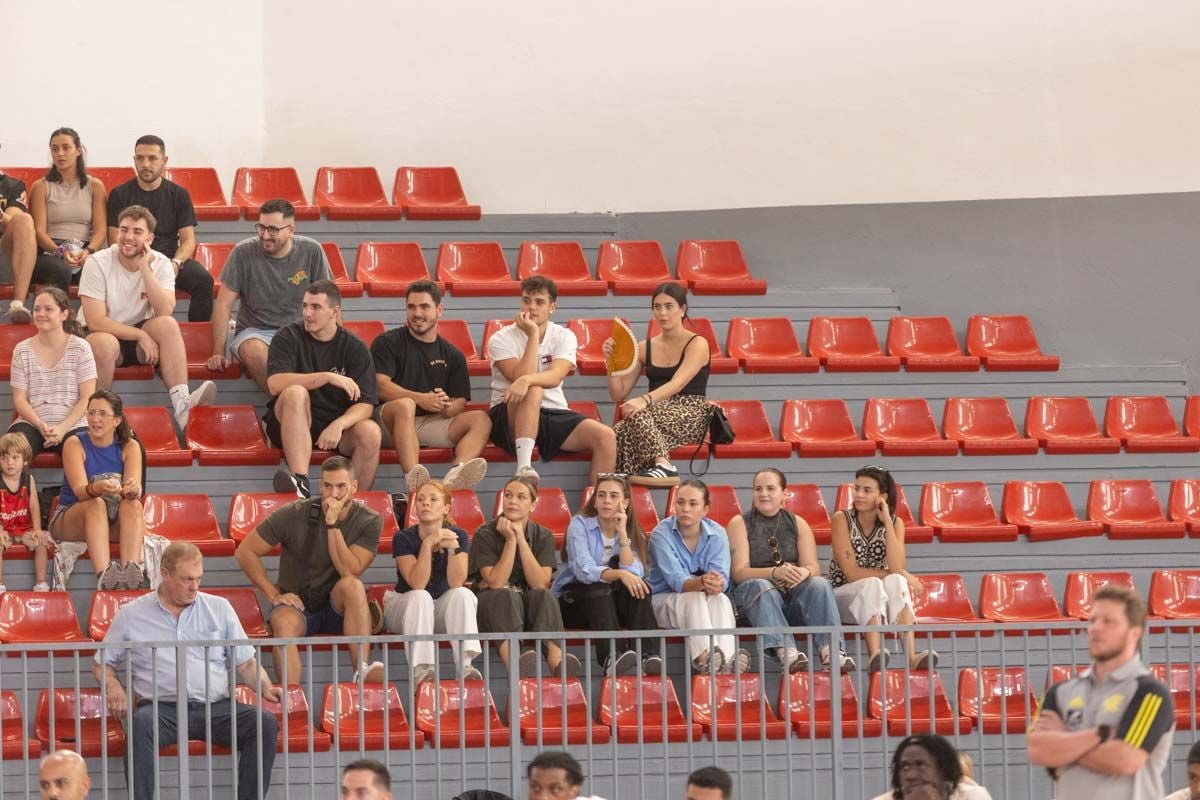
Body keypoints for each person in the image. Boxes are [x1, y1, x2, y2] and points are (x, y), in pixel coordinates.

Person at [94, 543, 279, 800]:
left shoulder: (220, 608)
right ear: (165, 574)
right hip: (161, 709)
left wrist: (267, 687)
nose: (195, 587)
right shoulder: (131, 614)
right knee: (140, 724)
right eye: (187, 580)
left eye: (198, 579)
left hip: (217, 708)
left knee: (264, 723)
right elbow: (102, 663)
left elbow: (246, 663)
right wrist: (114, 687)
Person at [235, 455, 385, 685]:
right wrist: (273, 595)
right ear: (320, 485)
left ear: (354, 487)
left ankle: (361, 671)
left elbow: (349, 570)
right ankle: (292, 700)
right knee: (283, 624)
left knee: (353, 586)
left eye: (341, 486)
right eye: (327, 486)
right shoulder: (295, 512)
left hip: (338, 607)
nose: (333, 494)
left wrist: (332, 524)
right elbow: (245, 551)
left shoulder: (370, 520)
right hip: (298, 604)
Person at [1028, 585, 1175, 800]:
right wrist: (1100, 736)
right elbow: (1038, 750)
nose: (1095, 628)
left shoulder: (1150, 693)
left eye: (1108, 621)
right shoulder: (1059, 692)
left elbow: (1125, 760)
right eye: (1092, 620)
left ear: (1135, 633)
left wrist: (1064, 739)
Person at [78, 204, 217, 426]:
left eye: (137, 232)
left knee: (168, 325)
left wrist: (145, 268)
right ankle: (97, 415)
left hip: (136, 338)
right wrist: (140, 335)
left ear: (149, 238)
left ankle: (182, 405)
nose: (128, 237)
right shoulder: (97, 262)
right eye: (124, 230)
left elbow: (164, 311)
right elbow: (95, 321)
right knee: (104, 343)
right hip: (101, 336)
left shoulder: (161, 262)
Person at [486, 275, 615, 485]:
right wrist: (533, 336)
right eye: (526, 300)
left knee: (606, 436)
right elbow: (519, 377)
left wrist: (527, 379)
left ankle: (593, 511)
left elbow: (555, 376)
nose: (532, 307)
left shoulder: (565, 336)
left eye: (539, 302)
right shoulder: (500, 338)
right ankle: (524, 468)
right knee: (534, 389)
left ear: (552, 307)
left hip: (552, 411)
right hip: (509, 413)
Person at [728, 467, 853, 672]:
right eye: (758, 489)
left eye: (770, 488)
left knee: (819, 584)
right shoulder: (739, 523)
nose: (763, 494)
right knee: (761, 584)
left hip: (790, 600)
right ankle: (787, 652)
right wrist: (773, 573)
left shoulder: (798, 523)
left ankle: (832, 651)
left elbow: (813, 566)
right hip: (753, 601)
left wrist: (804, 572)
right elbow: (739, 573)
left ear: (784, 493)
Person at [263, 280, 380, 496]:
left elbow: (366, 404)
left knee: (371, 432)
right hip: (289, 420)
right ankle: (300, 482)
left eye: (315, 307)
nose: (307, 313)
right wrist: (326, 377)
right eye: (305, 306)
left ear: (334, 312)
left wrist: (339, 424)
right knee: (296, 392)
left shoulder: (355, 348)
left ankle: (352, 505)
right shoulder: (287, 336)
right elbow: (274, 384)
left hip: (332, 428)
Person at [373, 279, 490, 492]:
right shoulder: (387, 342)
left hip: (429, 423)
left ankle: (456, 474)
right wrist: (420, 398)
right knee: (405, 405)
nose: (417, 313)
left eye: (424, 307)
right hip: (387, 423)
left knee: (481, 419)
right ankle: (414, 482)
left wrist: (446, 406)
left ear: (439, 310)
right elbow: (380, 385)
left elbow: (460, 401)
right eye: (411, 307)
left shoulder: (452, 354)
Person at [208, 198, 332, 392]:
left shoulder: (312, 250)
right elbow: (223, 305)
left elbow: (329, 301)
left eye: (273, 229)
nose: (265, 235)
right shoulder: (242, 252)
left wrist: (337, 345)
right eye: (261, 227)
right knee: (252, 350)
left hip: (302, 330)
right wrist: (218, 351)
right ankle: (290, 405)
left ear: (291, 230)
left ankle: (290, 411)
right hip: (255, 331)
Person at [468, 476, 579, 677]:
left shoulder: (543, 535)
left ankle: (558, 663)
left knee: (544, 595)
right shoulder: (484, 533)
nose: (512, 501)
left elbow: (539, 582)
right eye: (508, 495)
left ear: (533, 505)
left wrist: (521, 539)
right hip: (492, 605)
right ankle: (516, 667)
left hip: (527, 605)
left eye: (521, 497)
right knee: (505, 595)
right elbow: (495, 582)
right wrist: (510, 541)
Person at [552, 473, 662, 676]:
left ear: (625, 502)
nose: (606, 501)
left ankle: (648, 655)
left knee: (640, 589)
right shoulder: (580, 524)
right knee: (599, 588)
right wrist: (619, 574)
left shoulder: (631, 531)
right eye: (601, 495)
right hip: (575, 603)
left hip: (609, 606)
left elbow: (635, 572)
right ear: (594, 501)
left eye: (613, 496)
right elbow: (584, 570)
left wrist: (622, 533)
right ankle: (612, 657)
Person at [828, 465, 933, 673]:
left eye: (867, 490)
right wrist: (901, 572)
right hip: (841, 597)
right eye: (856, 488)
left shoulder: (895, 523)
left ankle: (911, 656)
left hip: (877, 600)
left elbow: (896, 568)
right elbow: (851, 573)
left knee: (897, 582)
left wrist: (886, 522)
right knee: (874, 583)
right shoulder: (842, 519)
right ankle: (875, 654)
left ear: (882, 497)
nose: (858, 494)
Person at [604, 282, 710, 486]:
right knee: (616, 433)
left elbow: (678, 384)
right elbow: (619, 393)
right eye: (657, 307)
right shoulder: (645, 347)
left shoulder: (698, 343)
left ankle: (664, 466)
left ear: (683, 309)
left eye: (669, 306)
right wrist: (611, 362)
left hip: (691, 410)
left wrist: (643, 401)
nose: (663, 313)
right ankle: (620, 489)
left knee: (635, 415)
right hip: (654, 414)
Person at [381, 479, 482, 685]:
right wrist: (427, 544)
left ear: (446, 508)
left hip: (439, 610)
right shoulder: (403, 537)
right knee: (421, 596)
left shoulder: (459, 535)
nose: (425, 503)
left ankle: (464, 665)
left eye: (433, 499)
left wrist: (453, 548)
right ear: (415, 507)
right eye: (420, 500)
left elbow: (456, 582)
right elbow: (417, 583)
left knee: (463, 594)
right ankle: (422, 669)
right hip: (404, 608)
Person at [106, 135, 214, 322]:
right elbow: (115, 239)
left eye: (152, 158)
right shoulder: (119, 194)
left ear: (164, 161)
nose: (145, 164)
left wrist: (176, 263)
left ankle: (199, 340)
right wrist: (137, 263)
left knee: (204, 281)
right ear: (134, 160)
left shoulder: (179, 194)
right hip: (132, 259)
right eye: (140, 158)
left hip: (169, 259)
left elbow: (188, 240)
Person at [647, 479, 748, 674]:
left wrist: (717, 585)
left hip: (702, 602)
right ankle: (706, 657)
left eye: (693, 504)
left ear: (705, 509)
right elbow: (677, 582)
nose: (685, 509)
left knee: (721, 599)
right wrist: (703, 582)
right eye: (680, 502)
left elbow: (722, 581)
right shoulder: (661, 533)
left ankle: (725, 661)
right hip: (662, 602)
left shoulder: (717, 533)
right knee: (694, 597)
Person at [49, 390, 145, 590]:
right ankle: (104, 577)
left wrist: (131, 489)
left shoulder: (130, 447)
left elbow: (134, 489)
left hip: (111, 518)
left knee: (133, 505)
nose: (95, 419)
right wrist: (99, 487)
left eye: (102, 414)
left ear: (116, 420)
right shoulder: (75, 443)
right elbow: (80, 492)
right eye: (91, 413)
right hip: (71, 515)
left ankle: (131, 573)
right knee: (96, 503)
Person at [9, 287, 96, 456]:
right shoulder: (21, 350)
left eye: (48, 309)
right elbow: (19, 399)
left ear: (64, 314)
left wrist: (62, 428)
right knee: (11, 450)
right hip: (32, 423)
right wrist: (40, 425)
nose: (41, 314)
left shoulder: (81, 347)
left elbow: (88, 398)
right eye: (36, 309)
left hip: (73, 423)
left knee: (79, 450)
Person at [27, 128, 106, 289]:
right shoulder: (41, 187)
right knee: (60, 269)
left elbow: (101, 229)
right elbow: (39, 232)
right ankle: (59, 314)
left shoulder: (95, 186)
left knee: (99, 269)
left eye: (66, 147)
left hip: (84, 249)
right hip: (50, 250)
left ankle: (93, 315)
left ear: (78, 150)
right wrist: (60, 252)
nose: (60, 154)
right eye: (54, 149)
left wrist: (88, 252)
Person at [1, 168, 68, 324]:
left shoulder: (12, 185)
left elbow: (14, 223)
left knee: (23, 220)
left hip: (4, 253)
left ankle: (17, 305)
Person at [0, 433, 50, 592]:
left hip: (25, 527)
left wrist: (36, 529)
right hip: (4, 528)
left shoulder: (28, 479)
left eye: (15, 457)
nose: (9, 462)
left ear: (25, 460)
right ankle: (0, 584)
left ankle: (41, 583)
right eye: (4, 457)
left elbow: (34, 504)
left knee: (41, 543)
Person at [869, 734, 992, 800]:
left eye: (920, 765)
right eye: (904, 767)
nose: (911, 775)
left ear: (942, 769)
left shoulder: (973, 796)